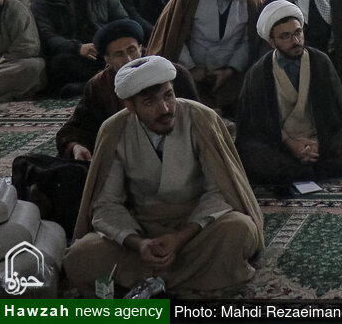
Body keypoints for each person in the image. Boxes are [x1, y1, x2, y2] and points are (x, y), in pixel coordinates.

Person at [63, 56, 264, 296]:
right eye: (150, 103)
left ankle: (149, 282)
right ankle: (187, 278)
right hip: (142, 229)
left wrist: (180, 238)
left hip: (197, 226)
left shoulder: (200, 118)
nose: (165, 109)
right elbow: (107, 204)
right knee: (80, 256)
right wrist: (139, 244)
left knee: (240, 230)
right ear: (130, 107)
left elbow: (220, 190)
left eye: (168, 96)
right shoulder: (114, 130)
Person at [235, 1, 342, 186]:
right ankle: (312, 168)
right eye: (285, 36)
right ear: (272, 42)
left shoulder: (320, 62)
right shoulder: (259, 73)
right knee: (251, 155)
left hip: (320, 138)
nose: (296, 41)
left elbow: (337, 112)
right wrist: (291, 144)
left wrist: (317, 141)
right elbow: (255, 124)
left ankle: (298, 170)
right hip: (281, 142)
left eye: (298, 32)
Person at [56, 20, 198, 161]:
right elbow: (78, 127)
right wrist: (77, 146)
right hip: (126, 158)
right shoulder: (99, 86)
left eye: (131, 50)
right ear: (108, 60)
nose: (128, 59)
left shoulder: (173, 74)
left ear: (141, 49)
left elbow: (195, 118)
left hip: (178, 152)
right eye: (119, 54)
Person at [147, 0, 265, 114]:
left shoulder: (252, 0)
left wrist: (230, 69)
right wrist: (191, 69)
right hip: (191, 74)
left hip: (231, 77)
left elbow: (249, 40)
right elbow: (176, 35)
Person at [34, 0, 129, 96]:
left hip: (104, 49)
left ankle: (91, 85)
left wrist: (108, 45)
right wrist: (77, 48)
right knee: (59, 64)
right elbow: (48, 37)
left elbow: (122, 21)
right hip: (73, 54)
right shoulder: (44, 3)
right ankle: (104, 82)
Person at [0, 0, 46, 100]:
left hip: (10, 64)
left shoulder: (15, 10)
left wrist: (2, 60)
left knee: (35, 67)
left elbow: (29, 47)